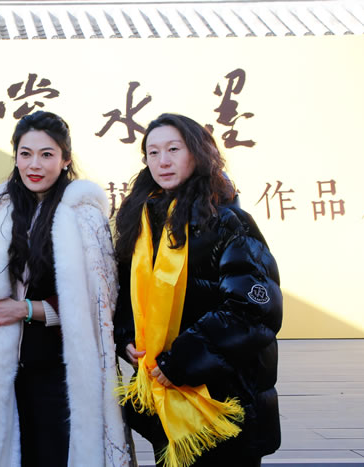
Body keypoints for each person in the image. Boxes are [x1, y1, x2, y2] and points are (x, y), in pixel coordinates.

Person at [0, 111, 134, 467]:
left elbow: (99, 302)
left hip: (61, 372)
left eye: (47, 154)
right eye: (25, 153)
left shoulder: (85, 217)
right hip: (5, 369)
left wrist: (27, 309)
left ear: (65, 160)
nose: (35, 165)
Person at [113, 113, 282, 467]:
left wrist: (181, 361)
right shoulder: (141, 222)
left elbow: (254, 310)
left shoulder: (227, 222)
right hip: (166, 396)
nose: (163, 161)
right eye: (153, 152)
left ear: (197, 153)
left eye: (174, 149)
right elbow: (129, 294)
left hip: (224, 401)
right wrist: (126, 336)